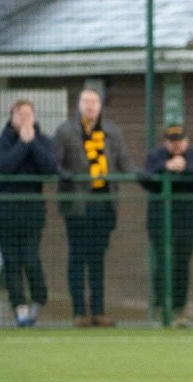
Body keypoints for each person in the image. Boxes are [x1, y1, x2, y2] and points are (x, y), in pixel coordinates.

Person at [54, 88, 135, 327]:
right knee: (78, 256)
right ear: (79, 105)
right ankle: (79, 311)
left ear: (100, 106)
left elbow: (125, 162)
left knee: (98, 259)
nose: (90, 106)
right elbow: (54, 163)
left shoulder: (111, 132)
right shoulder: (65, 131)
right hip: (77, 206)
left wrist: (144, 176)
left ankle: (98, 310)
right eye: (86, 101)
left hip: (104, 203)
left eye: (95, 102)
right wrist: (69, 176)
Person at [0, 99, 59, 327]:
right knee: (11, 262)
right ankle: (19, 308)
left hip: (31, 212)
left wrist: (32, 143)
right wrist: (22, 143)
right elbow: (6, 166)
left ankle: (39, 298)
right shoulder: (2, 141)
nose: (25, 120)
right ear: (12, 118)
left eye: (29, 115)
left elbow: (50, 168)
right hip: (5, 212)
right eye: (20, 115)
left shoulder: (43, 141)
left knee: (31, 259)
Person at [140, 124, 193, 328]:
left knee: (182, 265)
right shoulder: (156, 155)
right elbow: (143, 176)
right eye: (172, 141)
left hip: (187, 220)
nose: (176, 145)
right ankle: (159, 309)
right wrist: (167, 166)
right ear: (166, 142)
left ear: (186, 141)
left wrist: (185, 167)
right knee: (162, 264)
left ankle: (179, 310)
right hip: (159, 220)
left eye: (179, 141)